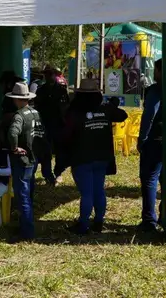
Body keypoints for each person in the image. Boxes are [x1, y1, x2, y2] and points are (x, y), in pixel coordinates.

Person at [64, 79, 128, 234]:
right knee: (98, 190)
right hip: (102, 157)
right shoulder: (105, 109)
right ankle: (98, 221)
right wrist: (112, 106)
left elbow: (66, 134)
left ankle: (83, 225)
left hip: (82, 157)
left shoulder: (75, 112)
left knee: (86, 193)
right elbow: (123, 115)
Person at [5, 81, 43, 243]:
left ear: (16, 99)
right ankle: (27, 224)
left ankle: (26, 231)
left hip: (22, 160)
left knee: (23, 195)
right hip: (34, 159)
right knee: (29, 192)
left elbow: (13, 132)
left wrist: (14, 148)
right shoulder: (36, 113)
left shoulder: (19, 116)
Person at [138, 59, 163, 232]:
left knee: (149, 179)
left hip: (155, 140)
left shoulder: (155, 90)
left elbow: (150, 114)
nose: (154, 74)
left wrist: (142, 138)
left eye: (156, 70)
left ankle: (149, 220)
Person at [34, 66, 68, 185]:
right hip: (45, 124)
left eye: (52, 74)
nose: (50, 76)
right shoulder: (40, 90)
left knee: (60, 150)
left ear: (55, 75)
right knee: (45, 151)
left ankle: (58, 172)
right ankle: (47, 174)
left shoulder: (62, 90)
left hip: (59, 124)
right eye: (47, 74)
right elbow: (37, 107)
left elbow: (66, 107)